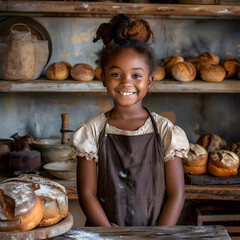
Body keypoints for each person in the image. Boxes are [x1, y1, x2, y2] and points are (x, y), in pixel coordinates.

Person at [69, 14, 189, 227]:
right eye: (116, 74)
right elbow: (87, 195)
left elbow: (176, 194)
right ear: (103, 78)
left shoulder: (165, 131)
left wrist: (157, 236)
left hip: (155, 235)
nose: (126, 83)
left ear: (149, 81)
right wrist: (112, 236)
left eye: (136, 75)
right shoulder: (92, 130)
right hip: (105, 233)